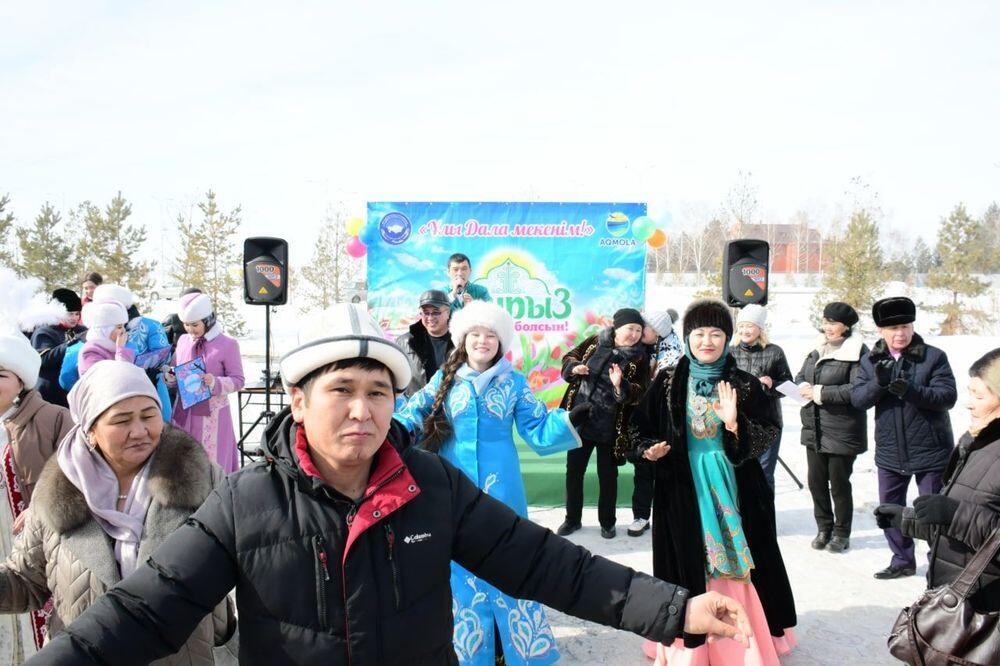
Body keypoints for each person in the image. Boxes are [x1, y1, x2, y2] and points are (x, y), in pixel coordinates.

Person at [27, 304, 754, 665]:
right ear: (298, 401)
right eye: (341, 390)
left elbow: (545, 563)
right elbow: (148, 606)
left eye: (378, 392)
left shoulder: (432, 486)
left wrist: (675, 609)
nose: (362, 410)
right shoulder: (247, 501)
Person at [0, 361, 235, 662]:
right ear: (91, 430)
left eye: (149, 415)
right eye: (121, 421)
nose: (139, 431)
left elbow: (250, 562)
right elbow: (25, 581)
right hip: (86, 657)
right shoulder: (56, 493)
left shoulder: (201, 479)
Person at [396, 301, 585, 665]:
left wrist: (568, 421)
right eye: (475, 334)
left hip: (503, 488)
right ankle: (468, 652)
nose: (482, 341)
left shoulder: (514, 382)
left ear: (501, 342)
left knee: (510, 556)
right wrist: (392, 429)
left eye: (490, 336)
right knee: (458, 565)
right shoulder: (444, 379)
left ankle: (514, 648)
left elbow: (537, 428)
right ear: (463, 339)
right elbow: (414, 413)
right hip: (452, 483)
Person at [632, 298, 797, 665]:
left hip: (733, 483)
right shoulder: (668, 381)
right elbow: (638, 427)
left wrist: (736, 426)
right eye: (699, 334)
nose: (707, 341)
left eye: (716, 334)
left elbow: (770, 428)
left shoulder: (744, 384)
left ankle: (744, 642)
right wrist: (647, 449)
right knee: (687, 558)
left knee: (739, 559)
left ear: (727, 338)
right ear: (687, 338)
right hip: (681, 484)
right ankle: (689, 641)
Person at [875, 347, 1000, 615]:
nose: (969, 403)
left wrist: (954, 514)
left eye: (979, 396)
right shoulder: (978, 441)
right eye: (970, 393)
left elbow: (965, 520)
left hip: (988, 611)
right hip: (959, 599)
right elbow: (964, 527)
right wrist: (909, 520)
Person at [853, 296, 958, 580]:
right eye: (893, 328)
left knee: (934, 512)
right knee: (890, 510)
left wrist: (912, 391)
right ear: (881, 330)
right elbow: (858, 400)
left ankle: (939, 565)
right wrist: (879, 383)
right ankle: (902, 560)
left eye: (905, 326)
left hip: (931, 451)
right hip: (890, 451)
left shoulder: (933, 357)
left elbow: (948, 397)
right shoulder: (871, 360)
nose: (900, 333)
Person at [0, 330, 72, 659]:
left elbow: (81, 474)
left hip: (34, 543)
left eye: (1, 374)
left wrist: (42, 503)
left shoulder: (53, 418)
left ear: (22, 381)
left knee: (35, 616)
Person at [557, 308, 650, 539]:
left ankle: (608, 522)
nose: (634, 335)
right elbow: (569, 356)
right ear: (616, 327)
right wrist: (574, 367)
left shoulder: (640, 358)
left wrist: (621, 386)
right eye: (630, 328)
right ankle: (572, 519)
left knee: (608, 476)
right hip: (581, 420)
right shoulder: (595, 341)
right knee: (574, 472)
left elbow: (640, 391)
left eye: (638, 330)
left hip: (611, 427)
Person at [794, 302, 869, 553]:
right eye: (825, 321)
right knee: (816, 482)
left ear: (846, 326)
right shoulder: (817, 348)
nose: (827, 327)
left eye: (833, 323)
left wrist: (820, 392)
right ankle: (824, 528)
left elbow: (857, 389)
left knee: (839, 484)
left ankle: (841, 532)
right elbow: (800, 376)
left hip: (842, 429)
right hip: (814, 427)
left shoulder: (858, 352)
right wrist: (802, 386)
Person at [166, 292, 244, 474]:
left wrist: (215, 382)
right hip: (184, 413)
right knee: (184, 464)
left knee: (211, 464)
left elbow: (238, 380)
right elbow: (175, 368)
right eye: (186, 324)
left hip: (212, 417)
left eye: (195, 325)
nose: (190, 330)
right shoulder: (183, 341)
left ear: (207, 320)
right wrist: (171, 377)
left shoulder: (227, 344)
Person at [626, 309, 682, 538]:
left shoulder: (674, 356)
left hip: (666, 422)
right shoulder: (642, 349)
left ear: (657, 332)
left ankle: (669, 517)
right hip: (644, 420)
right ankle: (641, 516)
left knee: (667, 471)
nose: (640, 331)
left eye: (644, 327)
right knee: (643, 469)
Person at [730, 304, 793, 492]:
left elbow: (789, 386)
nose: (745, 330)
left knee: (764, 475)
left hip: (768, 423)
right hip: (738, 423)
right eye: (741, 326)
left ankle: (765, 511)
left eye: (750, 326)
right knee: (738, 474)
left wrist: (772, 384)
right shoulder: (730, 352)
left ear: (760, 328)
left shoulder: (775, 351)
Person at [93, 284, 173, 422]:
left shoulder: (150, 325)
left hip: (151, 383)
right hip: (116, 392)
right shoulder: (96, 340)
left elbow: (164, 356)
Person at [30, 289, 87, 408]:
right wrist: (72, 343)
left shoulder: (82, 330)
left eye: (77, 314)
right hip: (49, 393)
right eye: (70, 314)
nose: (74, 318)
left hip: (74, 392)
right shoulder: (45, 331)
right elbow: (43, 360)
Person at [395, 289, 454, 397]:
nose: (430, 317)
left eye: (436, 312)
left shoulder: (461, 341)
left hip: (452, 404)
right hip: (416, 405)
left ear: (448, 313)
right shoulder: (404, 342)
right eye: (426, 313)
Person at [77, 300, 135, 375]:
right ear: (105, 330)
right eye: (119, 327)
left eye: (124, 326)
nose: (123, 330)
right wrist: (121, 351)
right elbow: (116, 377)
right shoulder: (90, 351)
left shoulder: (113, 348)